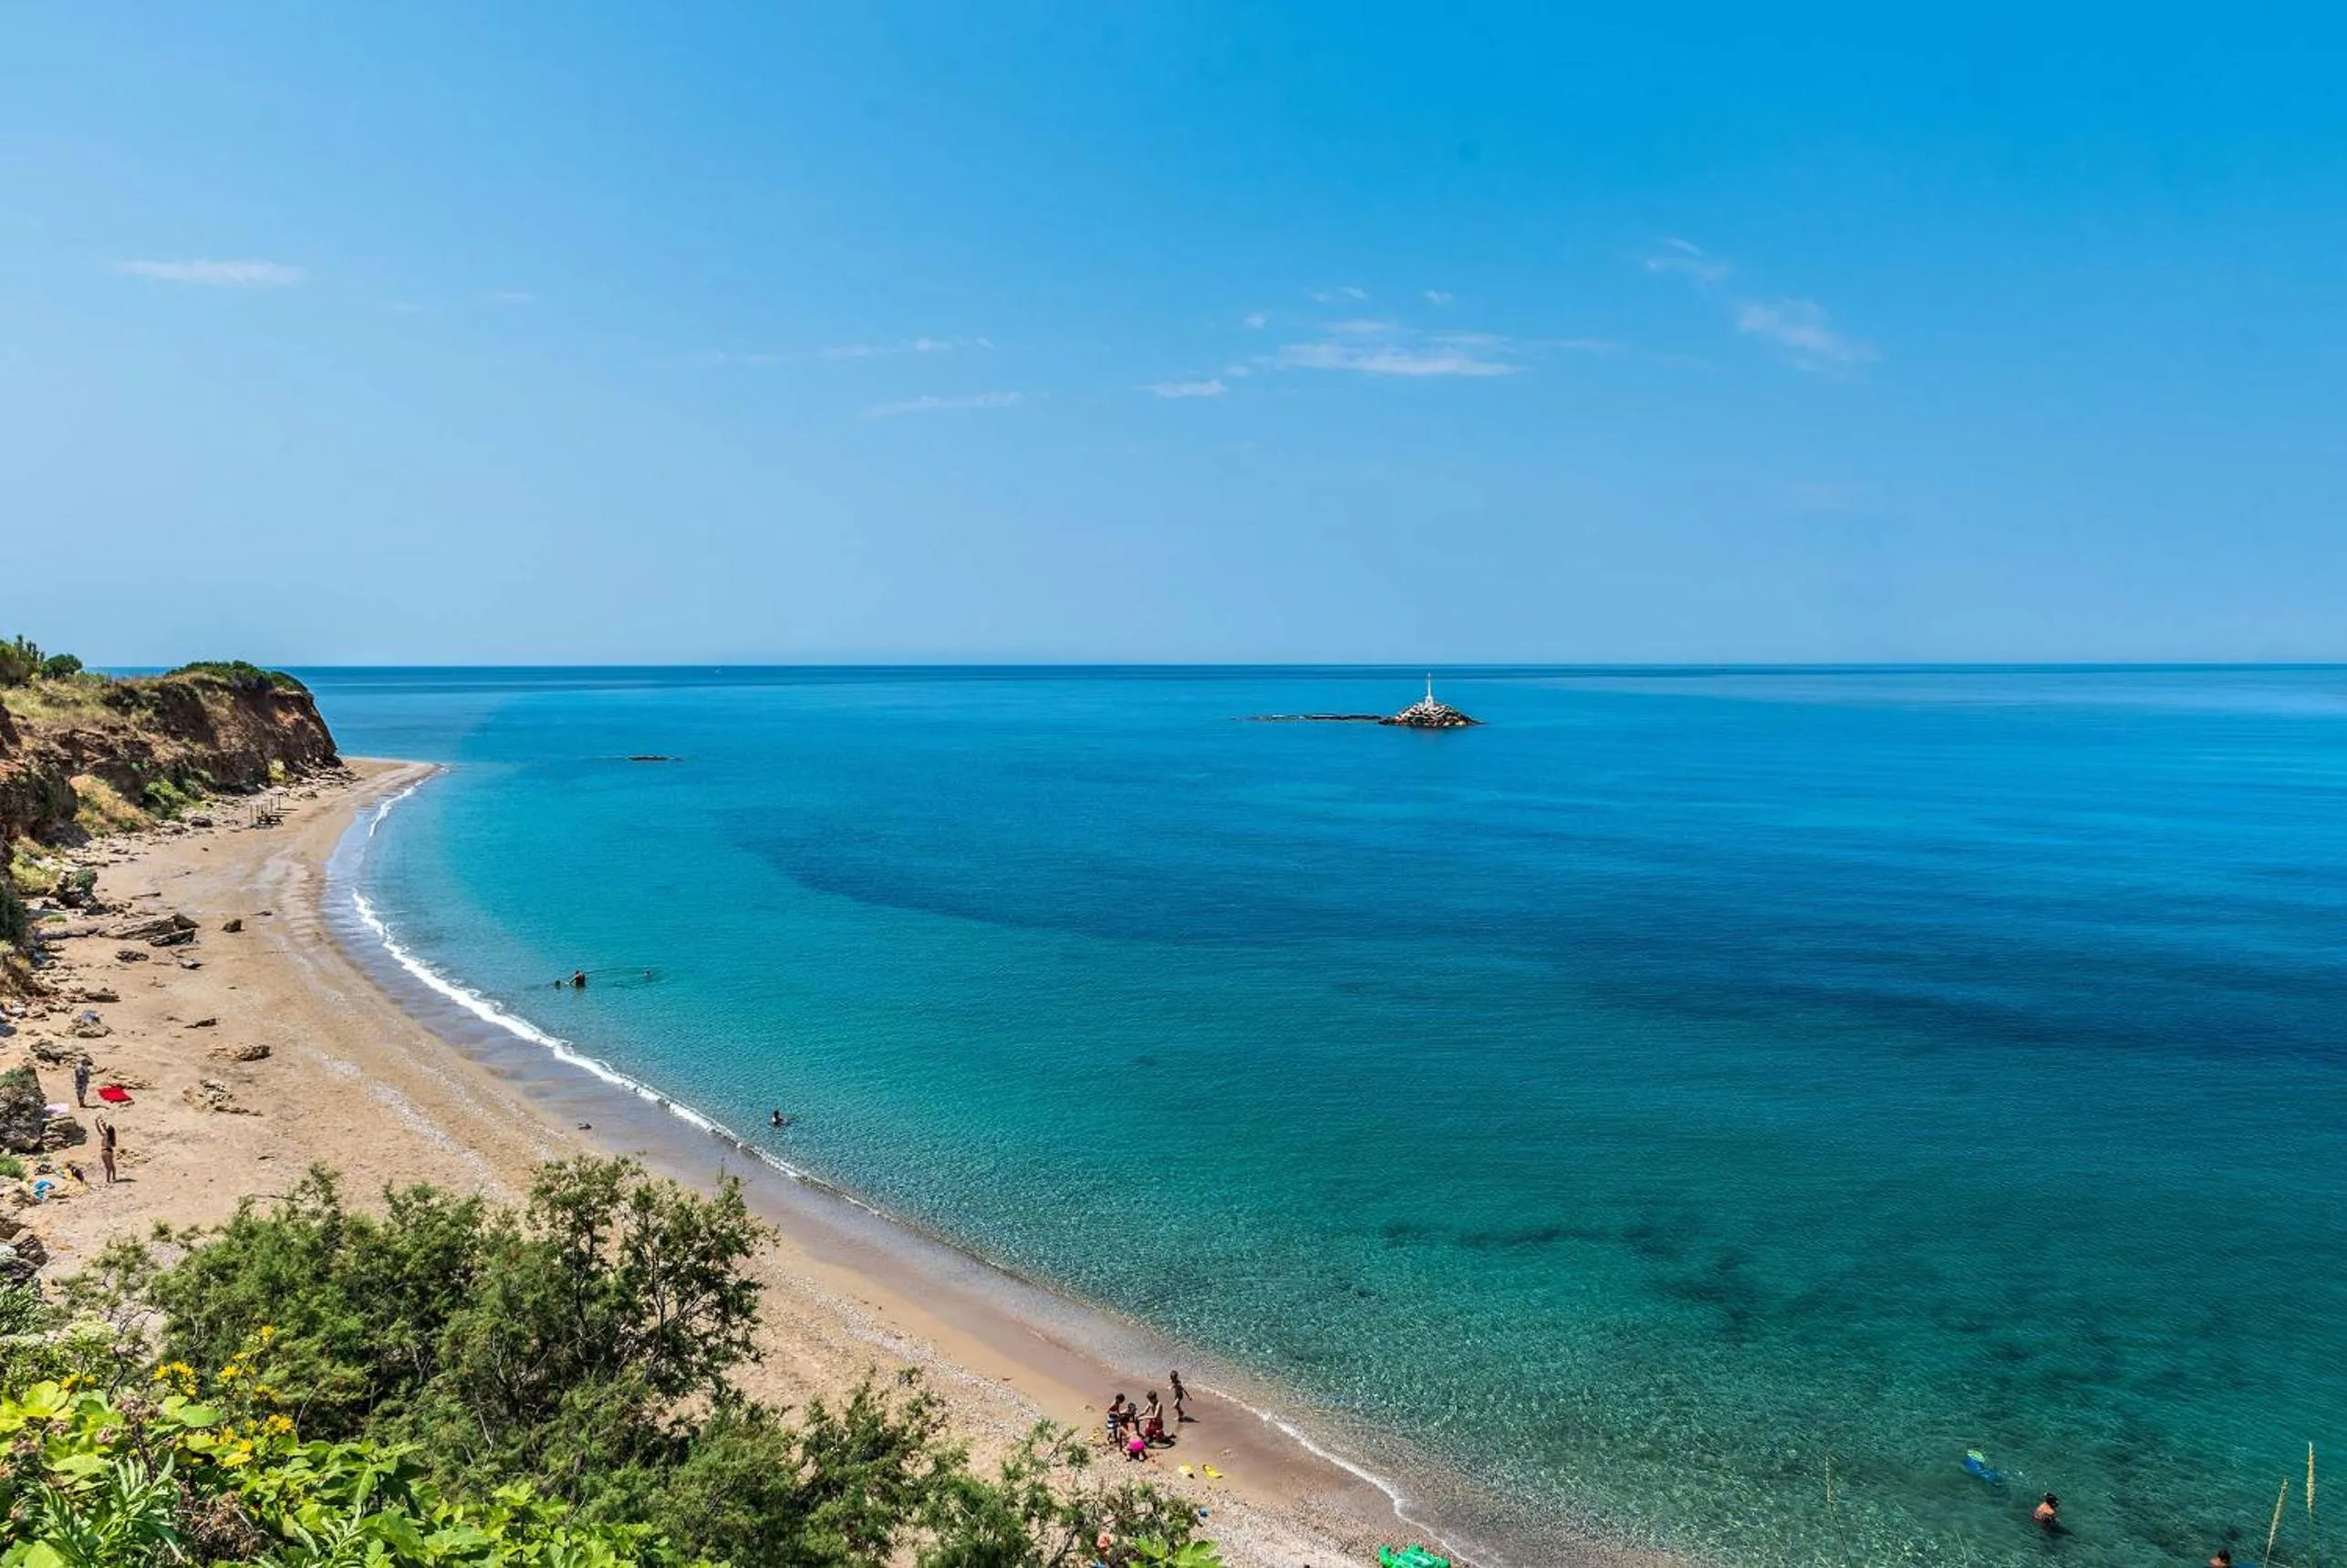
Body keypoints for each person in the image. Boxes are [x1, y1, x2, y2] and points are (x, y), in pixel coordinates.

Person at [95, 1117, 118, 1185]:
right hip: (109, 1152)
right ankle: (113, 1179)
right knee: (112, 1167)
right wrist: (103, 1124)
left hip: (104, 1152)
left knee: (108, 1168)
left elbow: (100, 1130)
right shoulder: (112, 1137)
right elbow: (114, 1145)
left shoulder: (105, 1135)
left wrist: (97, 1123)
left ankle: (108, 1181)